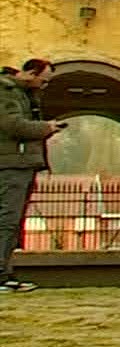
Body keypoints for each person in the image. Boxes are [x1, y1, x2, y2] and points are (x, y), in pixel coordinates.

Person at [0, 59, 63, 294]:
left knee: (12, 223)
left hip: (21, 163)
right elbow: (13, 125)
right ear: (29, 73)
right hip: (10, 164)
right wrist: (46, 128)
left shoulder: (22, 94)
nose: (43, 86)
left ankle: (6, 273)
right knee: (6, 220)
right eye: (43, 80)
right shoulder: (6, 92)